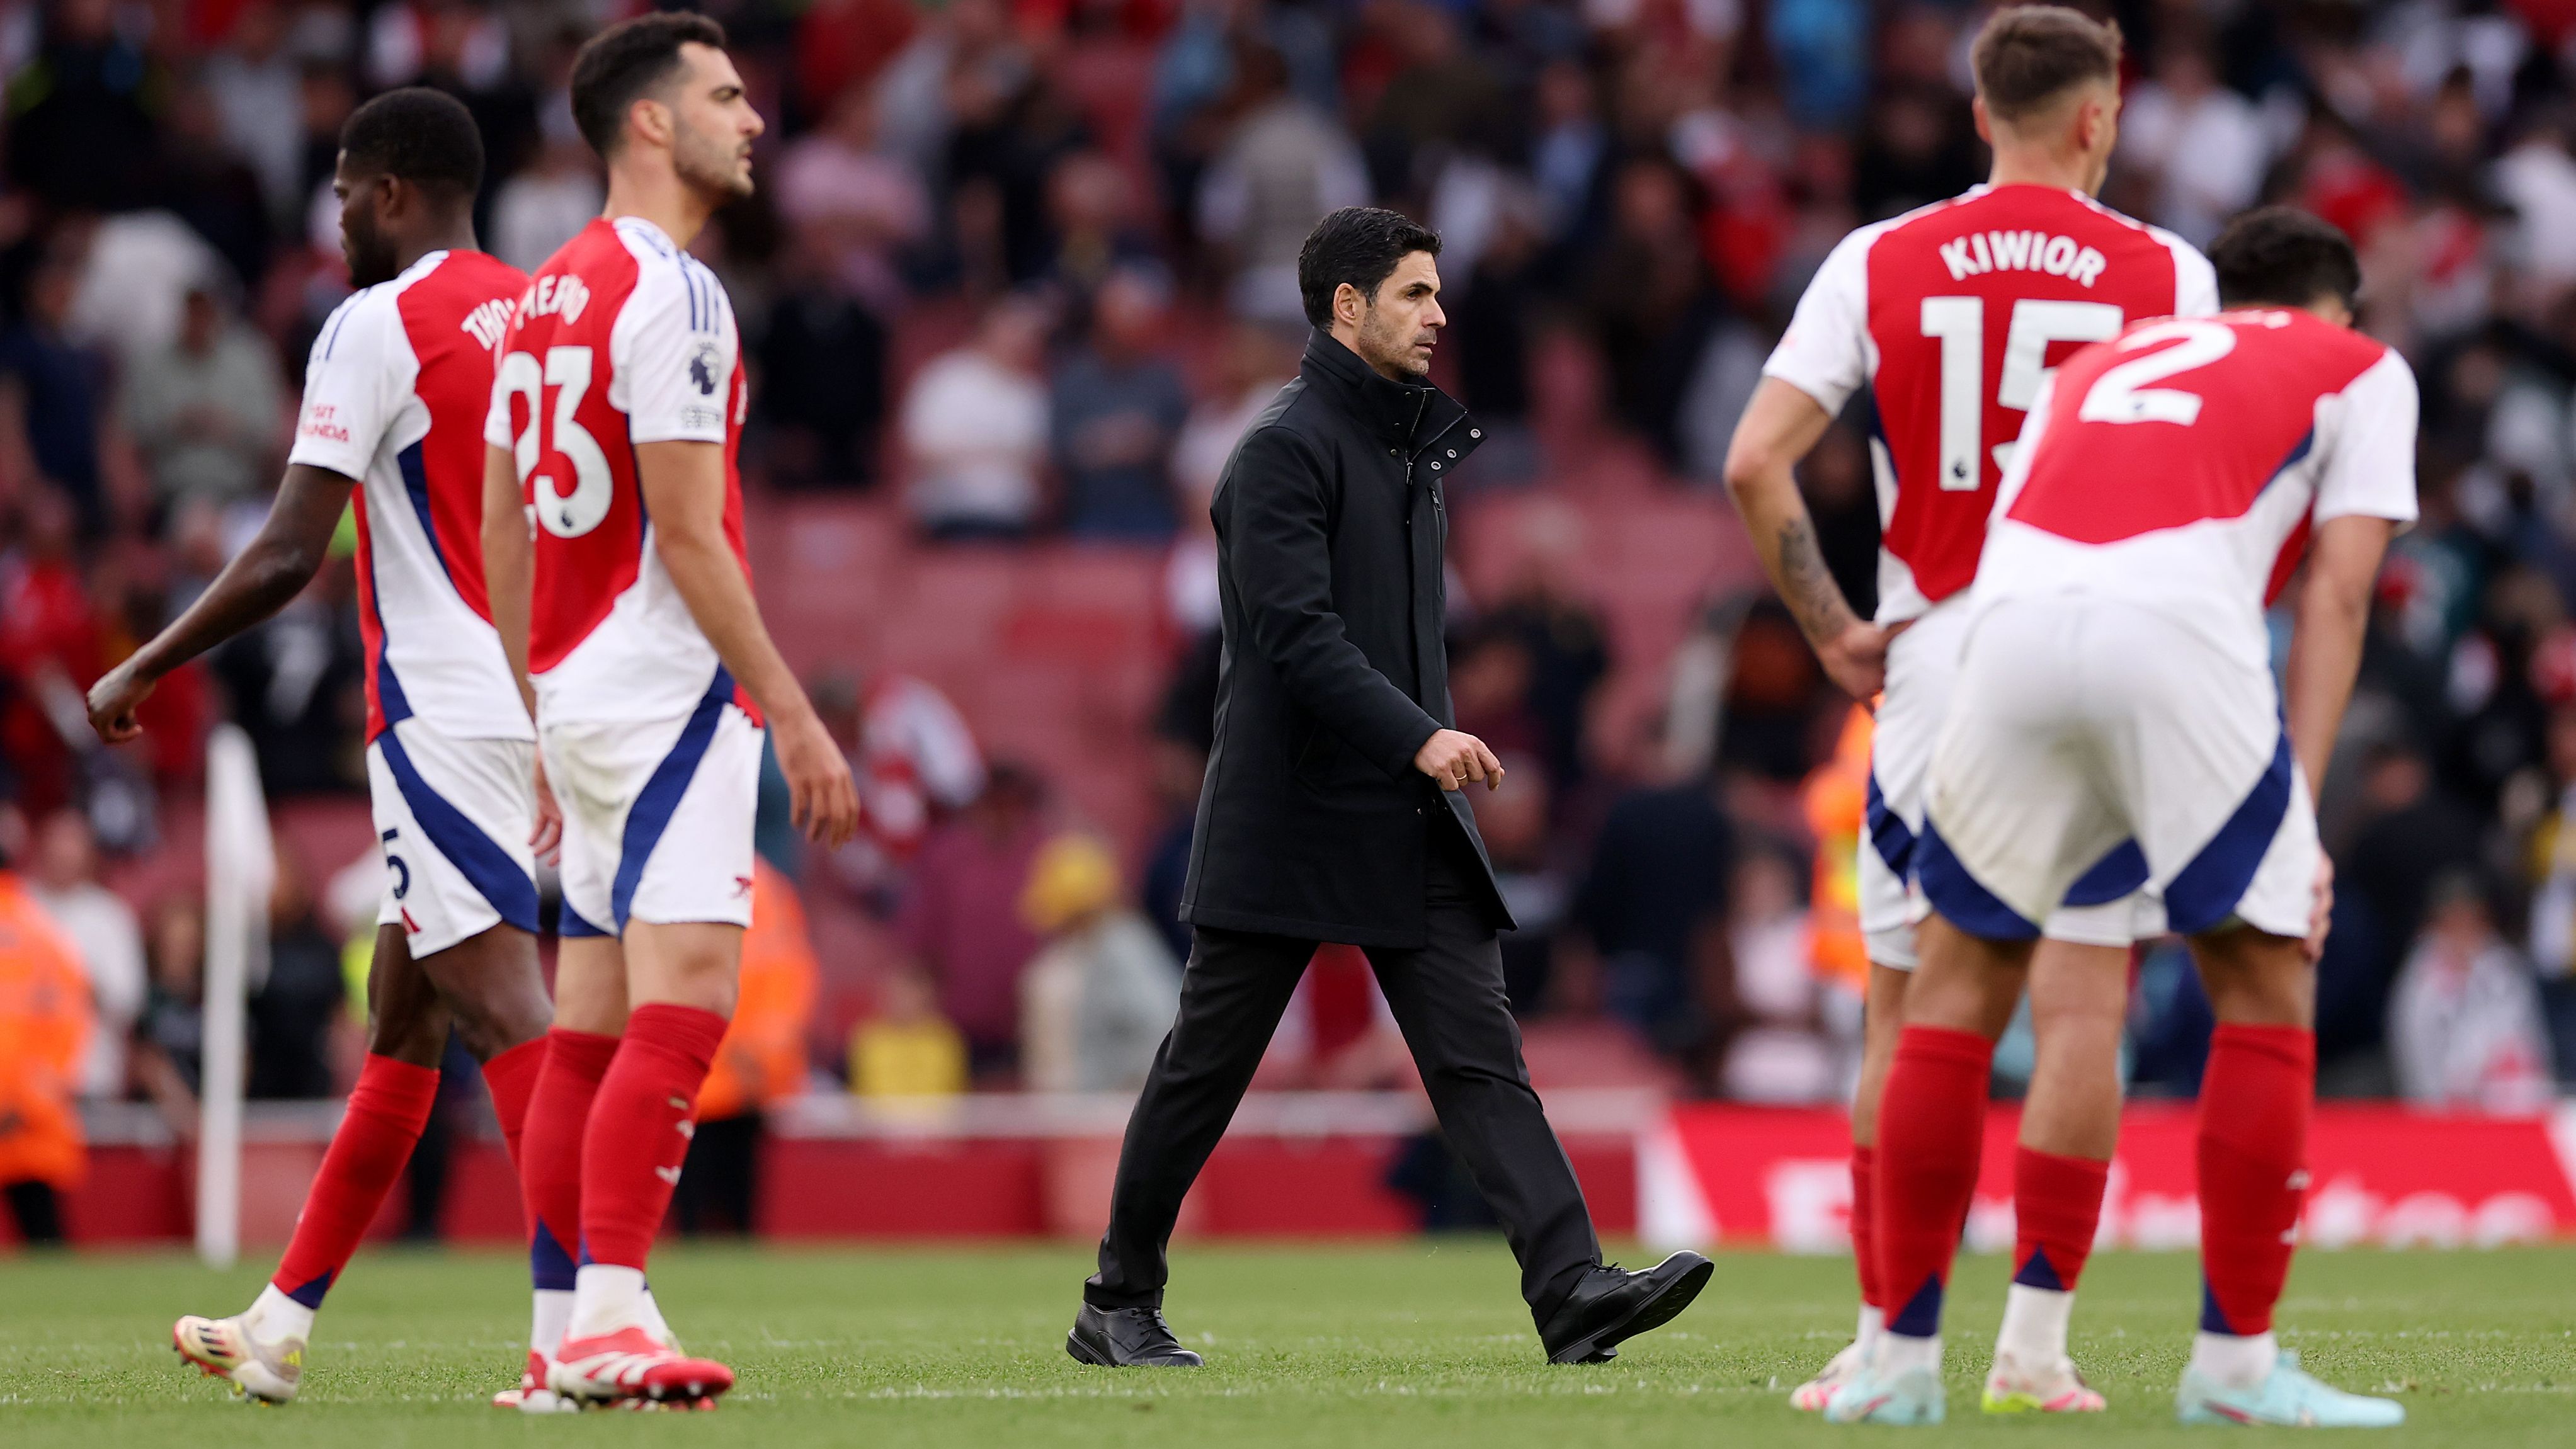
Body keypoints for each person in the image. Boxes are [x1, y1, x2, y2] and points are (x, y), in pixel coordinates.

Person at [1071, 207, 1709, 1370]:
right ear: (1347, 307)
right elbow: (1293, 636)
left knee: (1478, 1055)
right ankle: (1117, 1297)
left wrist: (1419, 751)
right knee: (1207, 1068)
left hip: (1404, 812)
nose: (1440, 315)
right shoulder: (1280, 449)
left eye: (1438, 292)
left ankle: (1569, 1287)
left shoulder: (1406, 450)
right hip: (1292, 813)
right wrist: (1421, 736)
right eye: (1415, 293)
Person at [1833, 207, 2415, 1429]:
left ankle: (1892, 1364)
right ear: (2335, 308)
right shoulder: (2359, 368)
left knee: (1952, 985)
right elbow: (2341, 589)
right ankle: (2233, 1367)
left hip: (1998, 632)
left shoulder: (2103, 363)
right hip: (2172, 628)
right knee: (2259, 979)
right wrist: (2295, 811)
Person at [1721, 6, 2217, 1412]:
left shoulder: (1877, 258)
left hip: (1936, 660)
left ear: (1978, 111)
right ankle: (2035, 1352)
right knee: (2078, 1010)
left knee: (1904, 1009)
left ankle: (1890, 1351)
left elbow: (1756, 462)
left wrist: (1830, 632)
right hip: (2096, 660)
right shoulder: (2168, 275)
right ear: (2096, 117)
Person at [84, 88, 560, 1409]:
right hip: (531, 700)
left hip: (439, 707)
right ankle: (279, 1322)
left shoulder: (376, 322)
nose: (336, 216)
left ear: (394, 191)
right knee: (405, 1016)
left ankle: (589, 1321)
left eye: (346, 191)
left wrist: (141, 659)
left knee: (507, 1010)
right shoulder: (533, 312)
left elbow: (294, 547)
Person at [477, 13, 858, 1410]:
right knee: (688, 1001)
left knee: (584, 1025)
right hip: (667, 693)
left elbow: (504, 514)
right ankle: (611, 1318)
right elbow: (693, 538)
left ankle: (557, 1331)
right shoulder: (678, 294)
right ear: (650, 122)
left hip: (577, 692)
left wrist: (532, 701)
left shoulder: (541, 293)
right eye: (724, 96)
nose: (752, 120)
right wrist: (796, 713)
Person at [1017, 834, 1180, 1093]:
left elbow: (1161, 1027)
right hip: (1077, 1113)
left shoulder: (1123, 948)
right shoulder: (1079, 950)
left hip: (1108, 1114)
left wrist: (1120, 1088)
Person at [0, 837, 91, 1246]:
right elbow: (70, 1025)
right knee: (47, 1251)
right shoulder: (44, 933)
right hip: (30, 1122)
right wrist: (28, 1103)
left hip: (25, 1122)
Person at [22, 809, 144, 1101]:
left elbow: (127, 1001)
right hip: (19, 1082)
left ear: (89, 854)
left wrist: (71, 981)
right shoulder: (17, 906)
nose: (63, 854)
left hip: (88, 1078)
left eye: (73, 845)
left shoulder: (109, 916)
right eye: (57, 842)